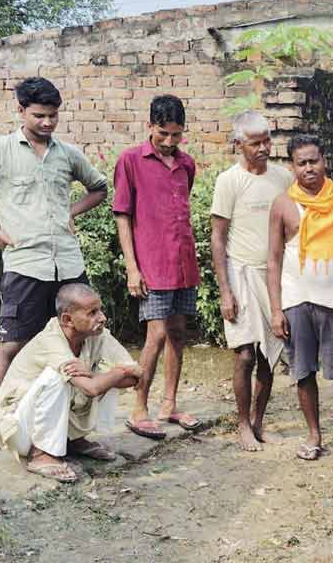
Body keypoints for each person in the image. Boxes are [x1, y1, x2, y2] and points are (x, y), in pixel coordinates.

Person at [0, 77, 108, 455]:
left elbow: (98, 187)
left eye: (53, 116)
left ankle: (73, 434)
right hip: (25, 264)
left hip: (68, 264)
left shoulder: (68, 154)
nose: (47, 123)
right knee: (13, 346)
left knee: (76, 346)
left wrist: (70, 212)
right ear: (21, 111)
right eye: (39, 115)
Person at [267, 134, 333, 461]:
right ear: (292, 167)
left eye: (314, 161)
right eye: (302, 163)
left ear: (325, 161)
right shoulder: (283, 204)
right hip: (297, 299)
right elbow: (274, 259)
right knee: (303, 370)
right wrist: (276, 309)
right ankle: (313, 434)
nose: (309, 168)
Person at [0, 284, 141, 482]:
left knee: (106, 374)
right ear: (68, 319)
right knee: (57, 376)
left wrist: (102, 375)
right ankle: (40, 454)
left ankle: (72, 440)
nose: (102, 317)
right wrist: (113, 374)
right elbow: (92, 389)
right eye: (92, 312)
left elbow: (137, 375)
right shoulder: (51, 340)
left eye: (100, 310)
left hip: (49, 423)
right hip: (18, 430)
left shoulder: (97, 335)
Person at [114, 95, 201, 440]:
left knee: (178, 332)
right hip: (152, 264)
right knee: (157, 334)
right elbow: (123, 215)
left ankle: (170, 404)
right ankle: (139, 408)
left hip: (183, 263)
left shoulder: (187, 165)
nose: (168, 141)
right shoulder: (131, 161)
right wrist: (132, 268)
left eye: (176, 135)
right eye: (163, 133)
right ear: (149, 126)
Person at [209, 112, 293, 451]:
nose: (263, 148)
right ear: (238, 144)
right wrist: (225, 290)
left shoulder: (283, 178)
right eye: (255, 143)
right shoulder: (229, 181)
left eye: (267, 140)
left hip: (274, 276)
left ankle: (258, 421)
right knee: (244, 353)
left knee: (268, 355)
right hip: (240, 273)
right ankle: (242, 424)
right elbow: (217, 238)